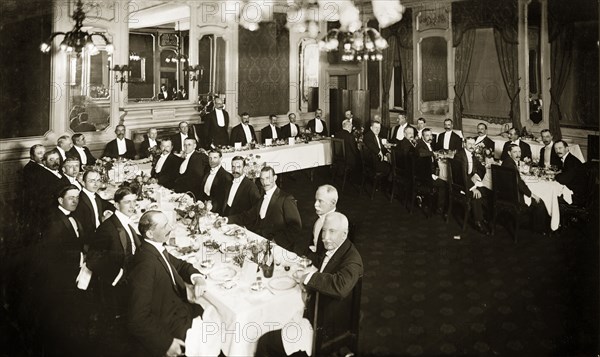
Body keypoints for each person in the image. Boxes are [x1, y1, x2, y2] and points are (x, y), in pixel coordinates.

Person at [255, 212, 363, 357]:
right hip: (316, 311)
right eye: (324, 230)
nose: (325, 237)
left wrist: (307, 277)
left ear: (344, 234)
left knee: (264, 341)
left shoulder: (353, 260)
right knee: (268, 318)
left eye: (331, 231)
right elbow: (325, 266)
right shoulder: (336, 247)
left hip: (325, 326)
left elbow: (340, 286)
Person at [127, 210, 207, 357]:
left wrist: (197, 277)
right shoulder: (145, 264)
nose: (171, 228)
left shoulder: (153, 248)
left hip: (177, 310)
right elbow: (137, 318)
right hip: (169, 325)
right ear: (150, 234)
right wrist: (167, 343)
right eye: (165, 226)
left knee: (212, 314)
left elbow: (181, 265)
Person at [37, 184, 88, 355]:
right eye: (70, 197)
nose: (75, 201)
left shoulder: (73, 216)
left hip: (74, 270)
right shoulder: (54, 221)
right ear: (60, 200)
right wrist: (81, 258)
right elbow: (52, 253)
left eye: (77, 197)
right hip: (60, 275)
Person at [217, 166, 304, 253]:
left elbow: (295, 227)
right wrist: (227, 219)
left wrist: (275, 242)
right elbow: (248, 216)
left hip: (277, 247)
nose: (264, 182)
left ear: (275, 178)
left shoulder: (286, 199)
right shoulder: (263, 197)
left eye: (267, 178)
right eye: (262, 179)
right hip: (259, 242)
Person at [87, 186, 141, 319]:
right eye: (127, 202)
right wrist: (117, 274)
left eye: (134, 201)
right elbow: (93, 260)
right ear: (116, 205)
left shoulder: (126, 221)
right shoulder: (107, 229)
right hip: (117, 284)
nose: (132, 206)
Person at [501, 144, 548, 232]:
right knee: (540, 202)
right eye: (515, 152)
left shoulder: (507, 161)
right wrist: (532, 195)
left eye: (519, 151)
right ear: (509, 153)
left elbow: (517, 180)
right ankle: (538, 230)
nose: (518, 154)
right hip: (514, 198)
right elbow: (519, 184)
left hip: (507, 195)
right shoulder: (510, 165)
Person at [453, 137, 490, 234]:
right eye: (469, 144)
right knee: (476, 195)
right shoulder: (459, 155)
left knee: (487, 191)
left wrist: (476, 175)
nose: (472, 146)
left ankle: (481, 215)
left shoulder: (472, 155)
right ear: (464, 144)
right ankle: (478, 222)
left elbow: (482, 168)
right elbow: (460, 176)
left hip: (468, 180)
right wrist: (473, 188)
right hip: (460, 184)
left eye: (473, 144)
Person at [72, 169, 116, 241]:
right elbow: (83, 232)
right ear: (83, 183)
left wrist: (107, 213)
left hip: (99, 233)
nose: (96, 184)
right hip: (92, 240)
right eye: (91, 181)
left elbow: (109, 205)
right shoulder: (80, 202)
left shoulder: (94, 195)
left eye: (98, 180)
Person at [199, 150, 233, 215]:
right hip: (203, 207)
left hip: (216, 211)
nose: (212, 161)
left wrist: (211, 206)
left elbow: (223, 200)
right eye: (210, 158)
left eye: (215, 158)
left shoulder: (226, 177)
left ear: (220, 158)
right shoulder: (207, 172)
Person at [308, 185, 338, 253]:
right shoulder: (318, 217)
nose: (315, 204)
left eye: (320, 201)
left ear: (333, 203)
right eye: (316, 200)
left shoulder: (338, 225)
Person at [554, 140, 585, 204]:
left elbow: (564, 180)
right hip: (574, 188)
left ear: (567, 148)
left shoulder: (571, 161)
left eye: (560, 148)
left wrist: (555, 175)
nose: (558, 151)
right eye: (556, 149)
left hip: (577, 195)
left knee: (551, 195)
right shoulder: (568, 158)